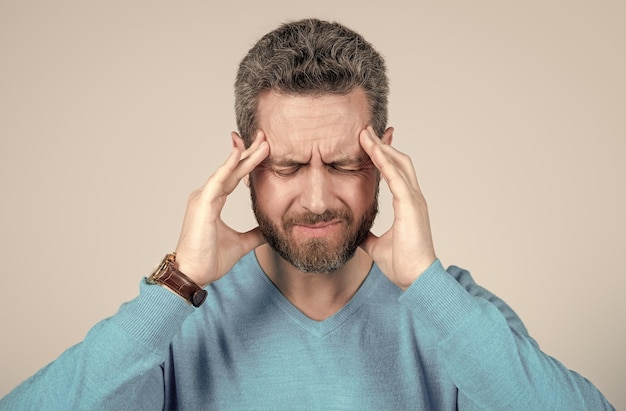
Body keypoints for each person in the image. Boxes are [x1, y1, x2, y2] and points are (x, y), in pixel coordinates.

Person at [0, 18, 614, 410]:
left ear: (386, 155)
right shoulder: (179, 313)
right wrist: (177, 283)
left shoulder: (450, 310)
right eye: (289, 167)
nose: (318, 200)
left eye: (345, 164)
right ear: (242, 159)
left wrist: (426, 284)